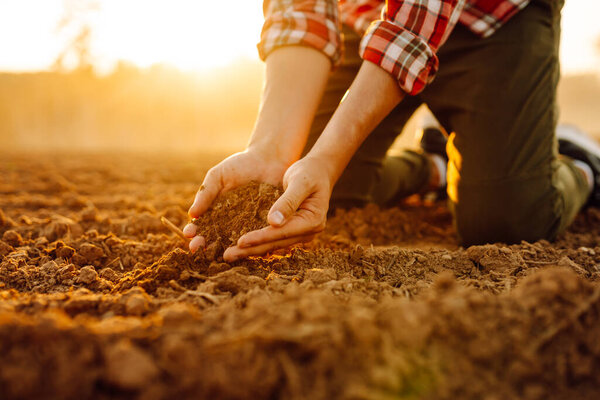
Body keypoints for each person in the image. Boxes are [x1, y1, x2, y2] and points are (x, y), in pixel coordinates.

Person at [183, 0, 600, 262]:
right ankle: (432, 167)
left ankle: (579, 160)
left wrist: (327, 158)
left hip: (493, 22)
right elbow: (300, 12)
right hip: (370, 19)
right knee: (315, 195)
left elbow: (418, 21)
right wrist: (272, 151)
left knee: (507, 220)